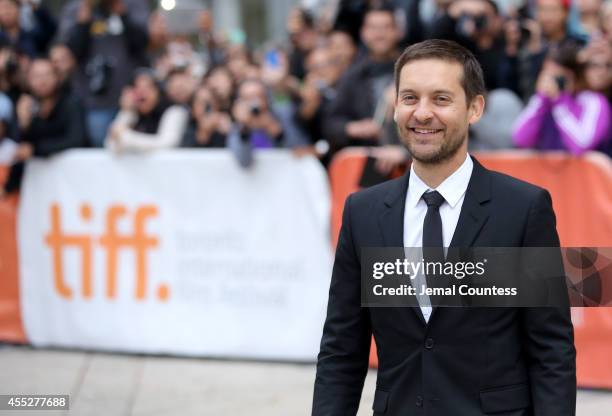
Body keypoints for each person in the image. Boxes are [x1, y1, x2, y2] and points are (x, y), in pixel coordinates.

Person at [312, 39, 576, 415]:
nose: (422, 113)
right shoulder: (363, 212)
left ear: (474, 108)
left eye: (440, 99)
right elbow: (342, 349)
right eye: (409, 98)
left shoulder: (523, 209)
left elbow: (551, 349)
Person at [1, 58, 87, 195]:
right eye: (36, 76)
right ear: (28, 79)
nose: (42, 81)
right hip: (42, 189)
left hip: (75, 184)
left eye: (47, 75)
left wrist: (36, 149)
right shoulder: (28, 106)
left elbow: (76, 139)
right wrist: (23, 124)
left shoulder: (71, 103)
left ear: (57, 77)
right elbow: (20, 150)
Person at [512, 43, 611, 155]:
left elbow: (581, 145)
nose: (552, 83)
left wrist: (560, 102)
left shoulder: (593, 102)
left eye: (558, 77)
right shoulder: (543, 101)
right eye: (548, 75)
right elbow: (520, 139)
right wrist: (540, 99)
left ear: (573, 76)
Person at [104, 68, 188, 152]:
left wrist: (126, 137)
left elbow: (168, 143)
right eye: (137, 88)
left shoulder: (175, 111)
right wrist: (126, 111)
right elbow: (110, 144)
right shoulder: (132, 113)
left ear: (158, 91)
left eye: (148, 88)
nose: (142, 93)